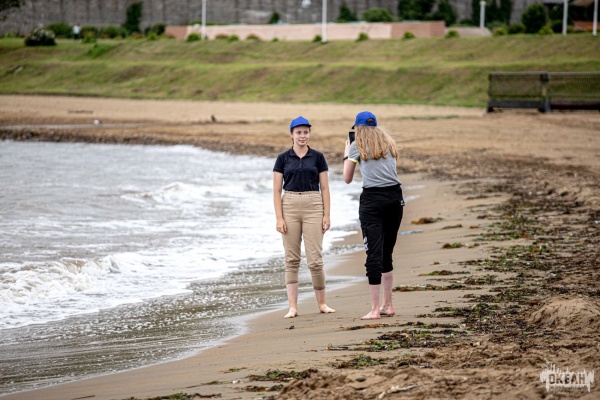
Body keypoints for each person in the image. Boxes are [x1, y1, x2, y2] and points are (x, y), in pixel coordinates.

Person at [343, 111, 404, 320]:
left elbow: (347, 178)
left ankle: (375, 309)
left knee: (373, 254)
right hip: (395, 198)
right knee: (387, 253)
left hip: (373, 200)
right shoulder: (389, 145)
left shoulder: (356, 146)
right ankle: (389, 305)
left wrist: (347, 154)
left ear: (358, 129)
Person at [273, 116, 336, 318]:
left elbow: (325, 188)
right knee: (291, 259)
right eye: (299, 132)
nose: (302, 136)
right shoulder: (283, 159)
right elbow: (276, 191)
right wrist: (279, 218)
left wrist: (326, 215)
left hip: (314, 205)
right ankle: (292, 308)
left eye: (306, 132)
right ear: (291, 134)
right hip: (289, 205)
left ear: (309, 134)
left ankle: (322, 304)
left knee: (315, 260)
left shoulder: (318, 157)